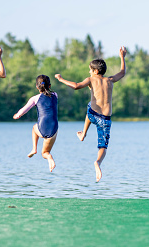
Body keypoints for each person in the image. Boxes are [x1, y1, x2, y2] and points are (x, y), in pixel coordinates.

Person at [55, 46, 127, 182]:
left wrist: (60, 79)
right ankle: (98, 163)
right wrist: (122, 56)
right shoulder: (110, 80)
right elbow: (122, 72)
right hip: (105, 119)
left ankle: (83, 133)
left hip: (93, 114)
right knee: (103, 147)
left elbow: (76, 86)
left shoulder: (91, 79)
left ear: (95, 71)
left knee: (90, 107)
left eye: (90, 69)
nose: (89, 71)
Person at [13, 75, 58, 172]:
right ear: (49, 86)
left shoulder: (35, 98)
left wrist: (17, 115)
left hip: (42, 127)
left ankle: (34, 148)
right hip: (54, 129)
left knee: (34, 127)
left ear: (37, 87)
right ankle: (49, 157)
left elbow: (24, 110)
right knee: (45, 152)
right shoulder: (55, 95)